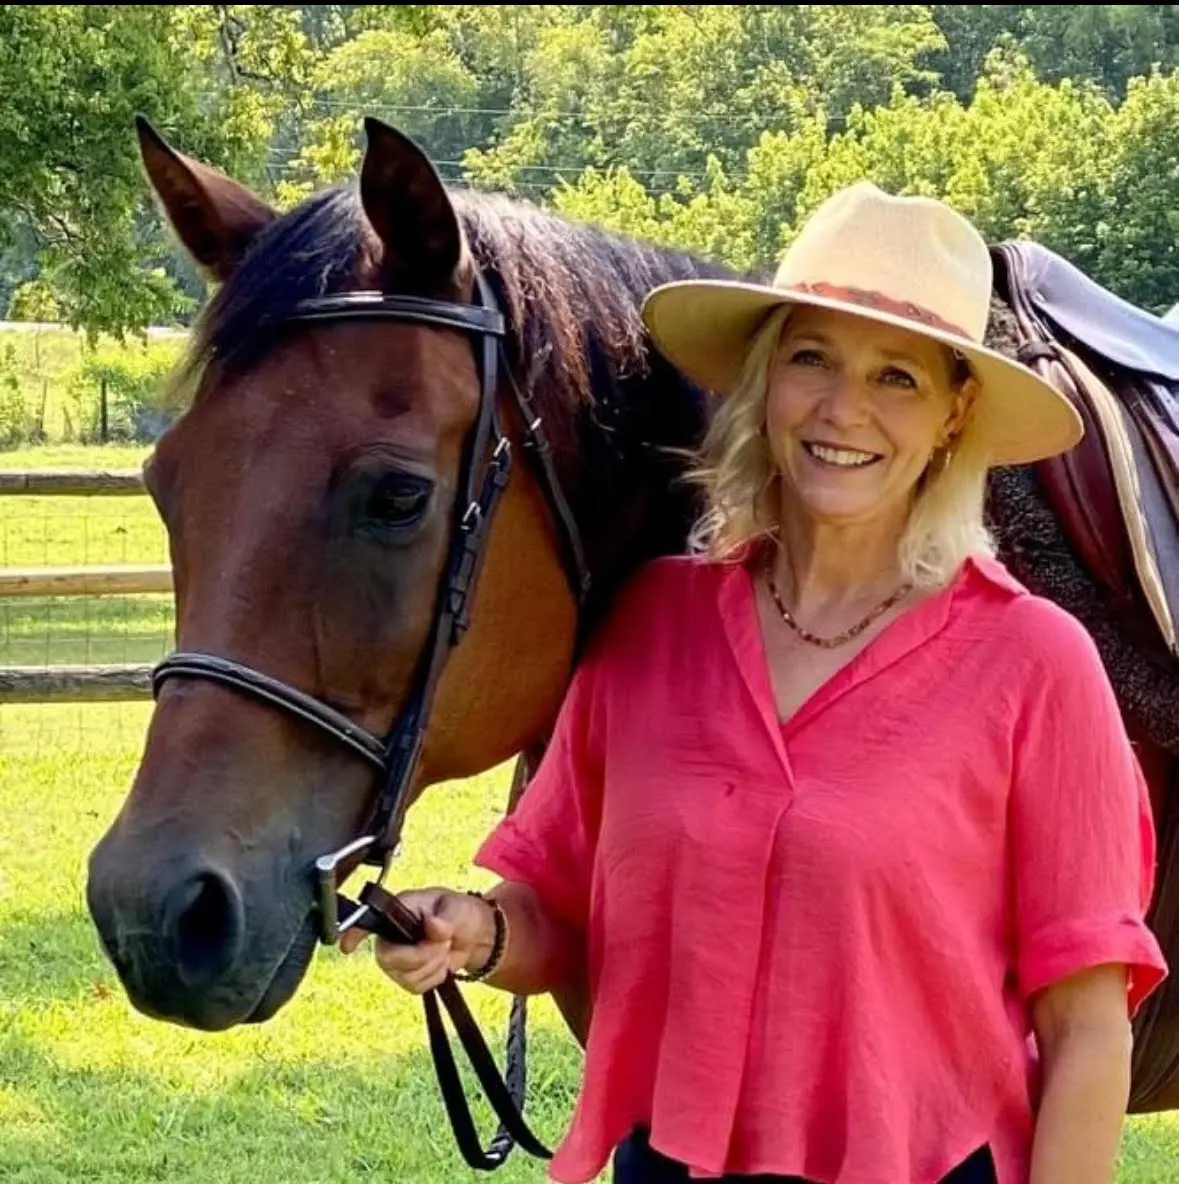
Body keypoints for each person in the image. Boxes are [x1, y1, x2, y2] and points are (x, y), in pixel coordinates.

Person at [340, 182, 1169, 1184]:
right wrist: (473, 931)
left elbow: (1086, 1030)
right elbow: (554, 910)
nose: (841, 409)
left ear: (955, 417)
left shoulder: (1037, 664)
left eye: (895, 376)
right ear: (764, 379)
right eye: (810, 356)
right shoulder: (652, 624)